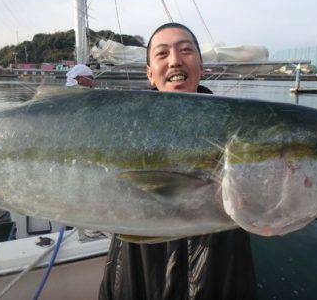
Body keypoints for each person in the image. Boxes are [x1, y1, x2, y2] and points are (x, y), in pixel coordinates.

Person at [98, 23, 257, 300]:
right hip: (137, 273)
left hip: (219, 277)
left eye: (186, 50)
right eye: (162, 54)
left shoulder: (239, 131)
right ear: (150, 73)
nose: (175, 60)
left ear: (202, 66)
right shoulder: (121, 129)